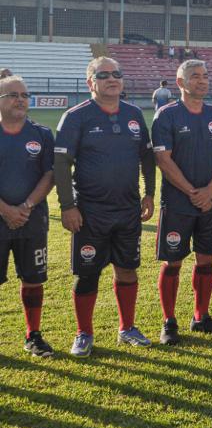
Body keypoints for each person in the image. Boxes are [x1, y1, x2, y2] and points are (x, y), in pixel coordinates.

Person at [55, 57, 156, 357]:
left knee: (128, 269)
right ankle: (83, 333)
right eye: (104, 75)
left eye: (117, 74)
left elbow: (147, 157)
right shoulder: (75, 117)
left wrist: (149, 193)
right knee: (88, 274)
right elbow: (61, 163)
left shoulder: (134, 114)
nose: (112, 79)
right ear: (91, 83)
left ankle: (127, 328)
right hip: (90, 212)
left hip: (128, 210)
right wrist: (67, 206)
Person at [152, 60, 212, 344]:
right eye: (195, 76)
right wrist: (192, 192)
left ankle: (201, 317)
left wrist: (211, 188)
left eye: (205, 75)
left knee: (206, 259)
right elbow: (163, 160)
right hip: (177, 203)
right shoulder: (166, 115)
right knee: (173, 262)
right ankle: (169, 322)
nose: (202, 81)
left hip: (209, 201)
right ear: (180, 83)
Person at [0, 75, 55, 357]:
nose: (20, 99)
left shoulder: (42, 134)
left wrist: (27, 206)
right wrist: (6, 209)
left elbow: (50, 174)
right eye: (12, 95)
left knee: (33, 279)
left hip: (31, 219)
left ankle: (33, 335)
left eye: (24, 94)